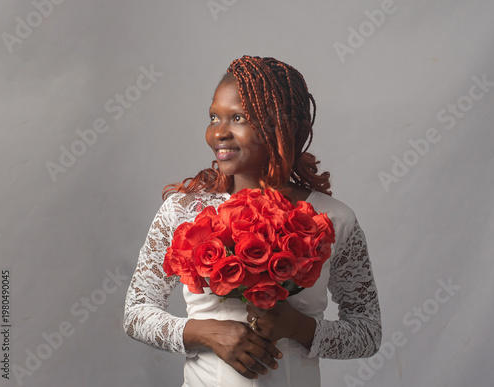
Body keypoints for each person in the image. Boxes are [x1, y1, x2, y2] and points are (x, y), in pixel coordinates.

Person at [123, 55, 381, 386]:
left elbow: (368, 331)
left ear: (281, 127)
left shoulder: (333, 218)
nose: (219, 132)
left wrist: (298, 327)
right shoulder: (183, 212)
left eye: (239, 118)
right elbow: (136, 312)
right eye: (214, 117)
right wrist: (206, 332)